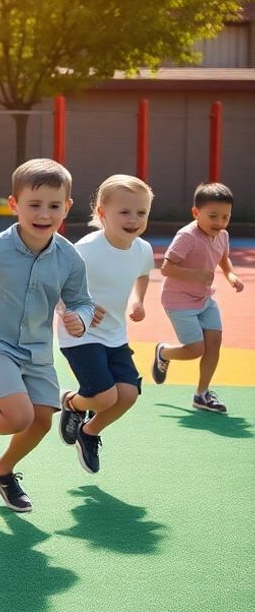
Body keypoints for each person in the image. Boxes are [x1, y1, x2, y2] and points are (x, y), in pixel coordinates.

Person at [0, 159, 95, 513]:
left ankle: (2, 472)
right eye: (34, 204)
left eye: (54, 206)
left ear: (67, 207)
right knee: (18, 416)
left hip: (36, 349)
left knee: (42, 420)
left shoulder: (69, 258)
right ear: (14, 205)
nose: (44, 214)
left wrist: (80, 318)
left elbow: (81, 301)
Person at [55, 175, 154, 474]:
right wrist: (73, 309)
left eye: (142, 212)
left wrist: (139, 300)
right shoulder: (86, 250)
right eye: (125, 212)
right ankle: (73, 403)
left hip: (114, 334)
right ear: (102, 213)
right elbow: (57, 284)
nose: (134, 219)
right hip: (80, 334)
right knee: (104, 396)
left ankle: (89, 433)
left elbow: (143, 274)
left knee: (127, 395)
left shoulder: (142, 249)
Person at [151, 182, 244, 414]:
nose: (219, 222)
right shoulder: (187, 236)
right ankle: (163, 352)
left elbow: (224, 259)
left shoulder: (222, 235)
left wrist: (231, 275)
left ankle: (202, 394)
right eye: (213, 216)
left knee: (214, 343)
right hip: (178, 300)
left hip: (204, 299)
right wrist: (194, 274)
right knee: (195, 350)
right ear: (196, 212)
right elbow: (166, 268)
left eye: (225, 217)